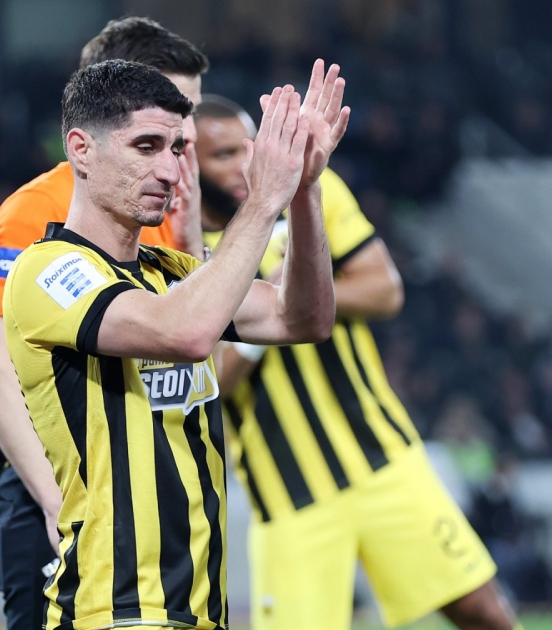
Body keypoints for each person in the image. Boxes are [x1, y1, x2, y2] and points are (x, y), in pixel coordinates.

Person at [4, 59, 345, 629]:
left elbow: (303, 318)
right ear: (81, 149)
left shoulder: (174, 272)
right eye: (146, 146)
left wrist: (303, 190)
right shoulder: (47, 271)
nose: (169, 169)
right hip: (115, 610)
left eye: (177, 149)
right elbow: (186, 333)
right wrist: (262, 200)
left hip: (201, 611)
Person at [196, 92, 519, 630]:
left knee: (484, 612)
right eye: (223, 155)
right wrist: (265, 318)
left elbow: (385, 290)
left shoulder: (308, 192)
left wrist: (301, 294)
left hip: (381, 454)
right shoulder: (182, 247)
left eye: (247, 147)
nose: (243, 164)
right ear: (189, 164)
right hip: (287, 491)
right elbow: (208, 380)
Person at [0, 17, 209, 630]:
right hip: (53, 483)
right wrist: (57, 503)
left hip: (137, 493)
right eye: (173, 106)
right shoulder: (35, 210)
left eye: (193, 112)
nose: (188, 132)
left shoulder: (163, 207)